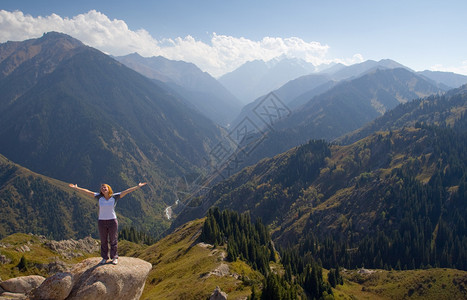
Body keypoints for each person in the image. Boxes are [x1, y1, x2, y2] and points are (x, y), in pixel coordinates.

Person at [69, 182, 147, 265]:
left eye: (105, 187)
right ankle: (104, 257)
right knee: (103, 241)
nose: (103, 188)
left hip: (112, 221)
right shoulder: (99, 197)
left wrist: (137, 187)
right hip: (101, 221)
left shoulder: (115, 196)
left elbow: (126, 191)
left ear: (108, 188)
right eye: (102, 188)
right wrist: (76, 188)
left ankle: (114, 257)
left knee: (113, 240)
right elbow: (87, 192)